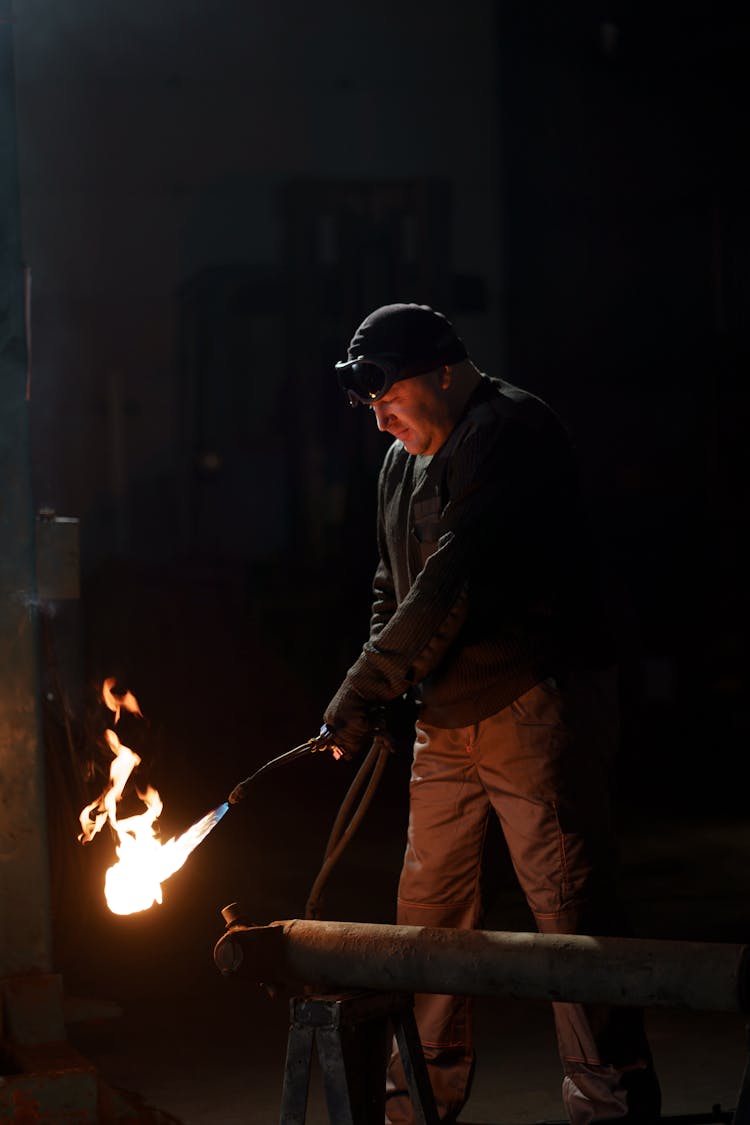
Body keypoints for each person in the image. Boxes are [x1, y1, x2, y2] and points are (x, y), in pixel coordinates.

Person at [319, 303, 660, 1125]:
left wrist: (366, 685)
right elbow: (390, 586)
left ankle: (610, 1108)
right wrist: (388, 691)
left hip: (533, 704)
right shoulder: (401, 463)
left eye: (389, 396)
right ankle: (417, 1111)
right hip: (445, 719)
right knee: (428, 922)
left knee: (568, 920)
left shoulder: (511, 430)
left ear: (444, 369)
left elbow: (454, 578)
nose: (381, 419)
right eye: (369, 407)